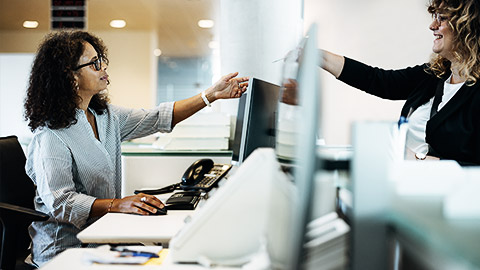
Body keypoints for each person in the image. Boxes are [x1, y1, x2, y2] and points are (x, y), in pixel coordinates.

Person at [23, 30, 248, 266]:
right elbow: (62, 203)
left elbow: (159, 116)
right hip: (64, 251)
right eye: (94, 63)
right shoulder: (50, 135)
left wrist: (211, 95)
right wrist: (118, 204)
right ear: (71, 78)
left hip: (104, 237)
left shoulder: (105, 116)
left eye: (101, 60)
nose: (103, 68)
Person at [320, 0, 480, 165]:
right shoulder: (434, 75)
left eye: (442, 18)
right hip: (404, 181)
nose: (432, 26)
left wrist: (420, 160)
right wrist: (320, 57)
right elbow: (378, 80)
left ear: (467, 26)